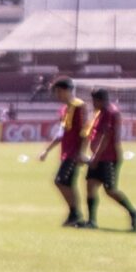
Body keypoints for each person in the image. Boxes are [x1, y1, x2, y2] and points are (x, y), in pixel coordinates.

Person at [83, 88, 136, 232]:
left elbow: (106, 136)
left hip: (108, 157)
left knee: (110, 190)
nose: (92, 104)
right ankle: (91, 221)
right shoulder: (102, 112)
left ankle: (133, 212)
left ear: (99, 100)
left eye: (93, 101)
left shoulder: (110, 112)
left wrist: (96, 156)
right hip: (99, 156)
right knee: (90, 185)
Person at [38, 76, 91, 227]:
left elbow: (85, 131)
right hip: (66, 153)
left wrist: (81, 152)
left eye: (59, 92)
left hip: (74, 153)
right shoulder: (64, 109)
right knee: (67, 182)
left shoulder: (79, 106)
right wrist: (47, 150)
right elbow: (62, 133)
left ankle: (75, 213)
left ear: (67, 90)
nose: (57, 96)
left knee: (61, 181)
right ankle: (75, 214)